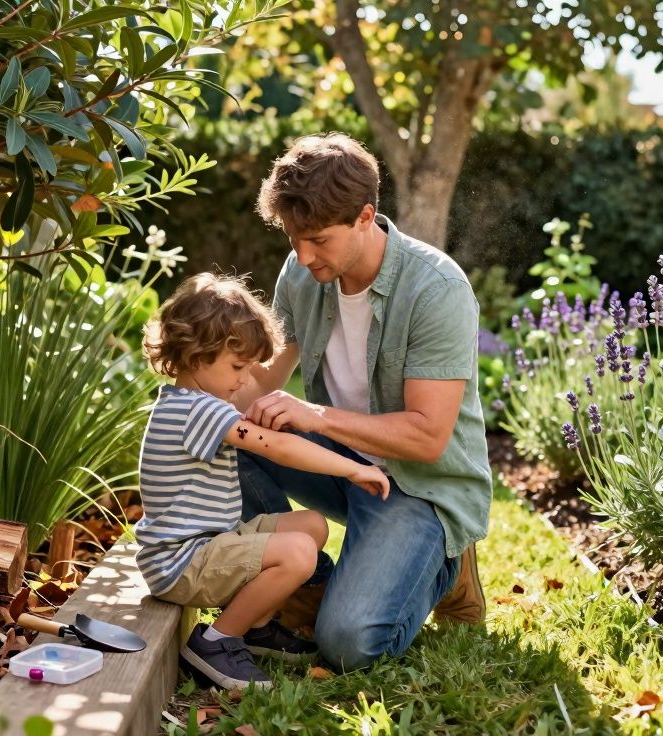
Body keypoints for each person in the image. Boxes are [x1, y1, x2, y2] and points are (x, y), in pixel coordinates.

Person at [230, 132, 492, 672]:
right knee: (225, 438)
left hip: (421, 485)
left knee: (349, 645)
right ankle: (304, 580)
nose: (303, 257)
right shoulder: (302, 273)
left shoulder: (436, 289)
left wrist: (315, 414)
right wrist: (191, 403)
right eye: (292, 238)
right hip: (343, 464)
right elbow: (263, 379)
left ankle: (448, 562)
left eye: (319, 240)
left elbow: (427, 436)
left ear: (365, 216)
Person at [135, 272, 392, 690]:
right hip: (180, 564)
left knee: (311, 526)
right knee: (297, 555)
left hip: (205, 545)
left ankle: (255, 626)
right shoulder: (200, 410)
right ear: (198, 356)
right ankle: (217, 642)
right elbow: (279, 447)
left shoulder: (193, 402)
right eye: (238, 366)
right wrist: (353, 468)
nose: (244, 379)